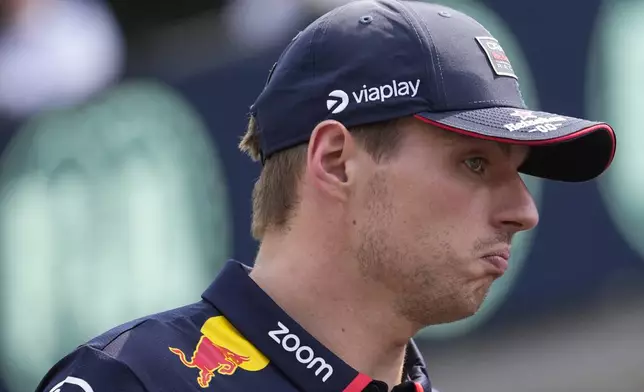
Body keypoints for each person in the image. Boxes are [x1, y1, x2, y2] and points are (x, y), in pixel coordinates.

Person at [35, 0, 616, 391]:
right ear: (335, 162)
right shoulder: (134, 380)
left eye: (519, 173)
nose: (525, 212)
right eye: (473, 162)